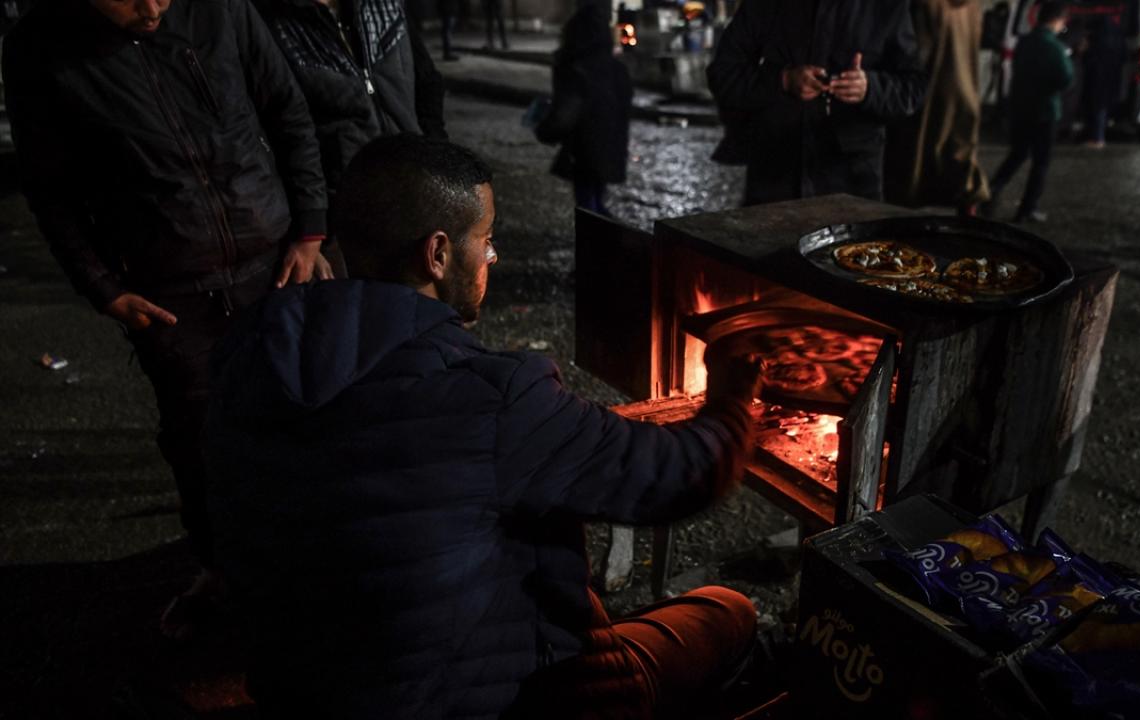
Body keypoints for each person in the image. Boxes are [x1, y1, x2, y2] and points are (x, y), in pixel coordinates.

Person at [204, 135, 762, 718]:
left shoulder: (248, 358)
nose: (491, 258)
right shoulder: (490, 396)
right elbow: (680, 472)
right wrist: (732, 393)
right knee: (729, 611)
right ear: (438, 254)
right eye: (487, 240)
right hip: (497, 699)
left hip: (305, 688)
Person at [2, 0, 329, 638]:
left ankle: (316, 569)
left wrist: (311, 227)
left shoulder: (222, 9)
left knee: (308, 415)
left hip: (273, 264)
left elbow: (287, 109)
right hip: (171, 292)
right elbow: (49, 188)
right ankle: (222, 574)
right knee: (199, 440)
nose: (154, 7)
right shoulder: (39, 47)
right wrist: (104, 289)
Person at [254, 0, 449, 277]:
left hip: (416, 196)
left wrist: (439, 163)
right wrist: (309, 228)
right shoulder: (272, 21)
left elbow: (427, 83)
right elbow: (278, 131)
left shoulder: (385, 5)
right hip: (343, 217)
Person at [706, 0, 926, 205]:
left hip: (852, 183)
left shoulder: (887, 5)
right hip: (774, 177)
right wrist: (783, 80)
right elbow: (723, 74)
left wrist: (869, 88)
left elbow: (913, 88)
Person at [883, 0, 990, 215]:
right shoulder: (971, 6)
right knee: (960, 161)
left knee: (911, 164)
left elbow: (913, 52)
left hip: (927, 95)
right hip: (963, 93)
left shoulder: (924, 4)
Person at [535, 2, 634, 216]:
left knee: (589, 208)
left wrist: (545, 130)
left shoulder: (576, 70)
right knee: (596, 200)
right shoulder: (618, 69)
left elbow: (565, 115)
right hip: (611, 148)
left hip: (585, 151)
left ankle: (600, 235)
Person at [981, 1, 1073, 224]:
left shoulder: (1024, 42)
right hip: (1045, 111)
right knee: (1041, 162)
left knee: (1017, 154)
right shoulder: (1055, 47)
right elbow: (1066, 77)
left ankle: (990, 191)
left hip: (1022, 108)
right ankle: (1027, 208)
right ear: (1057, 20)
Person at [1080, 13, 1125, 148]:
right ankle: (1098, 136)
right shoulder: (1118, 37)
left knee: (1097, 108)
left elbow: (1088, 58)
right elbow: (1125, 56)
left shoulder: (1097, 40)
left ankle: (1097, 138)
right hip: (1112, 78)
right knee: (1103, 108)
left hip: (1097, 79)